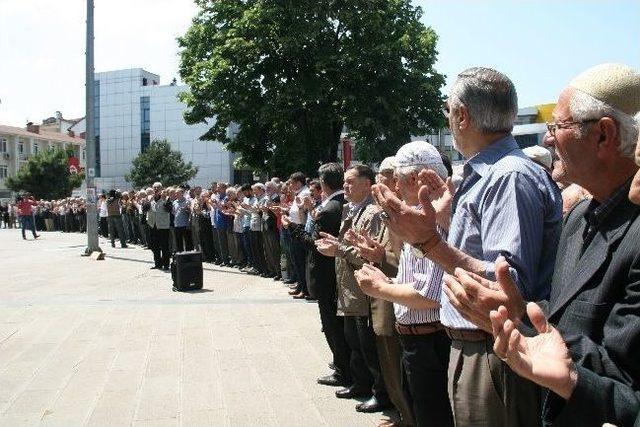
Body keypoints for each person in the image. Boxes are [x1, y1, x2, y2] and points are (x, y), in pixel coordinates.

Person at [443, 63, 640, 427]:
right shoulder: (581, 216)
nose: (547, 140)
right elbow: (560, 310)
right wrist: (526, 318)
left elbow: (623, 374)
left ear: (603, 136)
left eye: (557, 127)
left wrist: (524, 320)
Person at [371, 67, 563, 427]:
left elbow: (508, 286)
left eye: (448, 112)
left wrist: (428, 242)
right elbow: (485, 253)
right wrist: (444, 224)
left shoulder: (508, 177)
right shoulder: (490, 174)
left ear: (462, 116)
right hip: (476, 344)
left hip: (496, 350)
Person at [354, 142, 453, 426]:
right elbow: (415, 280)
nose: (393, 187)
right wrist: (387, 280)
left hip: (431, 341)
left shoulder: (435, 218)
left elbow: (430, 295)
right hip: (416, 339)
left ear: (413, 180)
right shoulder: (418, 215)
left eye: (396, 180)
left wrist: (381, 288)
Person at [315, 164, 396, 416]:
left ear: (367, 184)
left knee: (369, 346)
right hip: (350, 288)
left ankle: (380, 393)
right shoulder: (354, 209)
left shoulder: (371, 213)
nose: (345, 186)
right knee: (355, 342)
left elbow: (368, 257)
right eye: (344, 182)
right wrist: (336, 244)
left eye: (350, 182)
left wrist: (338, 249)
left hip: (363, 291)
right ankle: (362, 385)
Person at [284, 163, 347, 387]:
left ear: (323, 183)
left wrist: (293, 227)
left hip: (326, 271)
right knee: (336, 321)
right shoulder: (338, 203)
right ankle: (342, 362)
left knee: (331, 321)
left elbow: (314, 243)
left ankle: (342, 368)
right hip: (334, 271)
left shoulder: (331, 208)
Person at [148, 182, 172, 270]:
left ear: (161, 189)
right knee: (154, 246)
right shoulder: (150, 199)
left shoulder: (166, 198)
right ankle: (157, 264)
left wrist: (164, 199)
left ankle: (166, 264)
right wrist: (147, 201)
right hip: (153, 225)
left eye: (158, 187)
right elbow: (145, 209)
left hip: (163, 226)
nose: (156, 189)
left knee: (164, 246)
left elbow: (169, 209)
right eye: (154, 187)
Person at [173, 187, 193, 253]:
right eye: (176, 193)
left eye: (178, 193)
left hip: (185, 224)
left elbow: (190, 212)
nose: (176, 194)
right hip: (177, 225)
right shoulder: (174, 202)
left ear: (182, 193)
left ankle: (188, 255)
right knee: (178, 242)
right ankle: (180, 256)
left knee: (187, 242)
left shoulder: (187, 201)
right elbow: (173, 212)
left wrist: (187, 210)